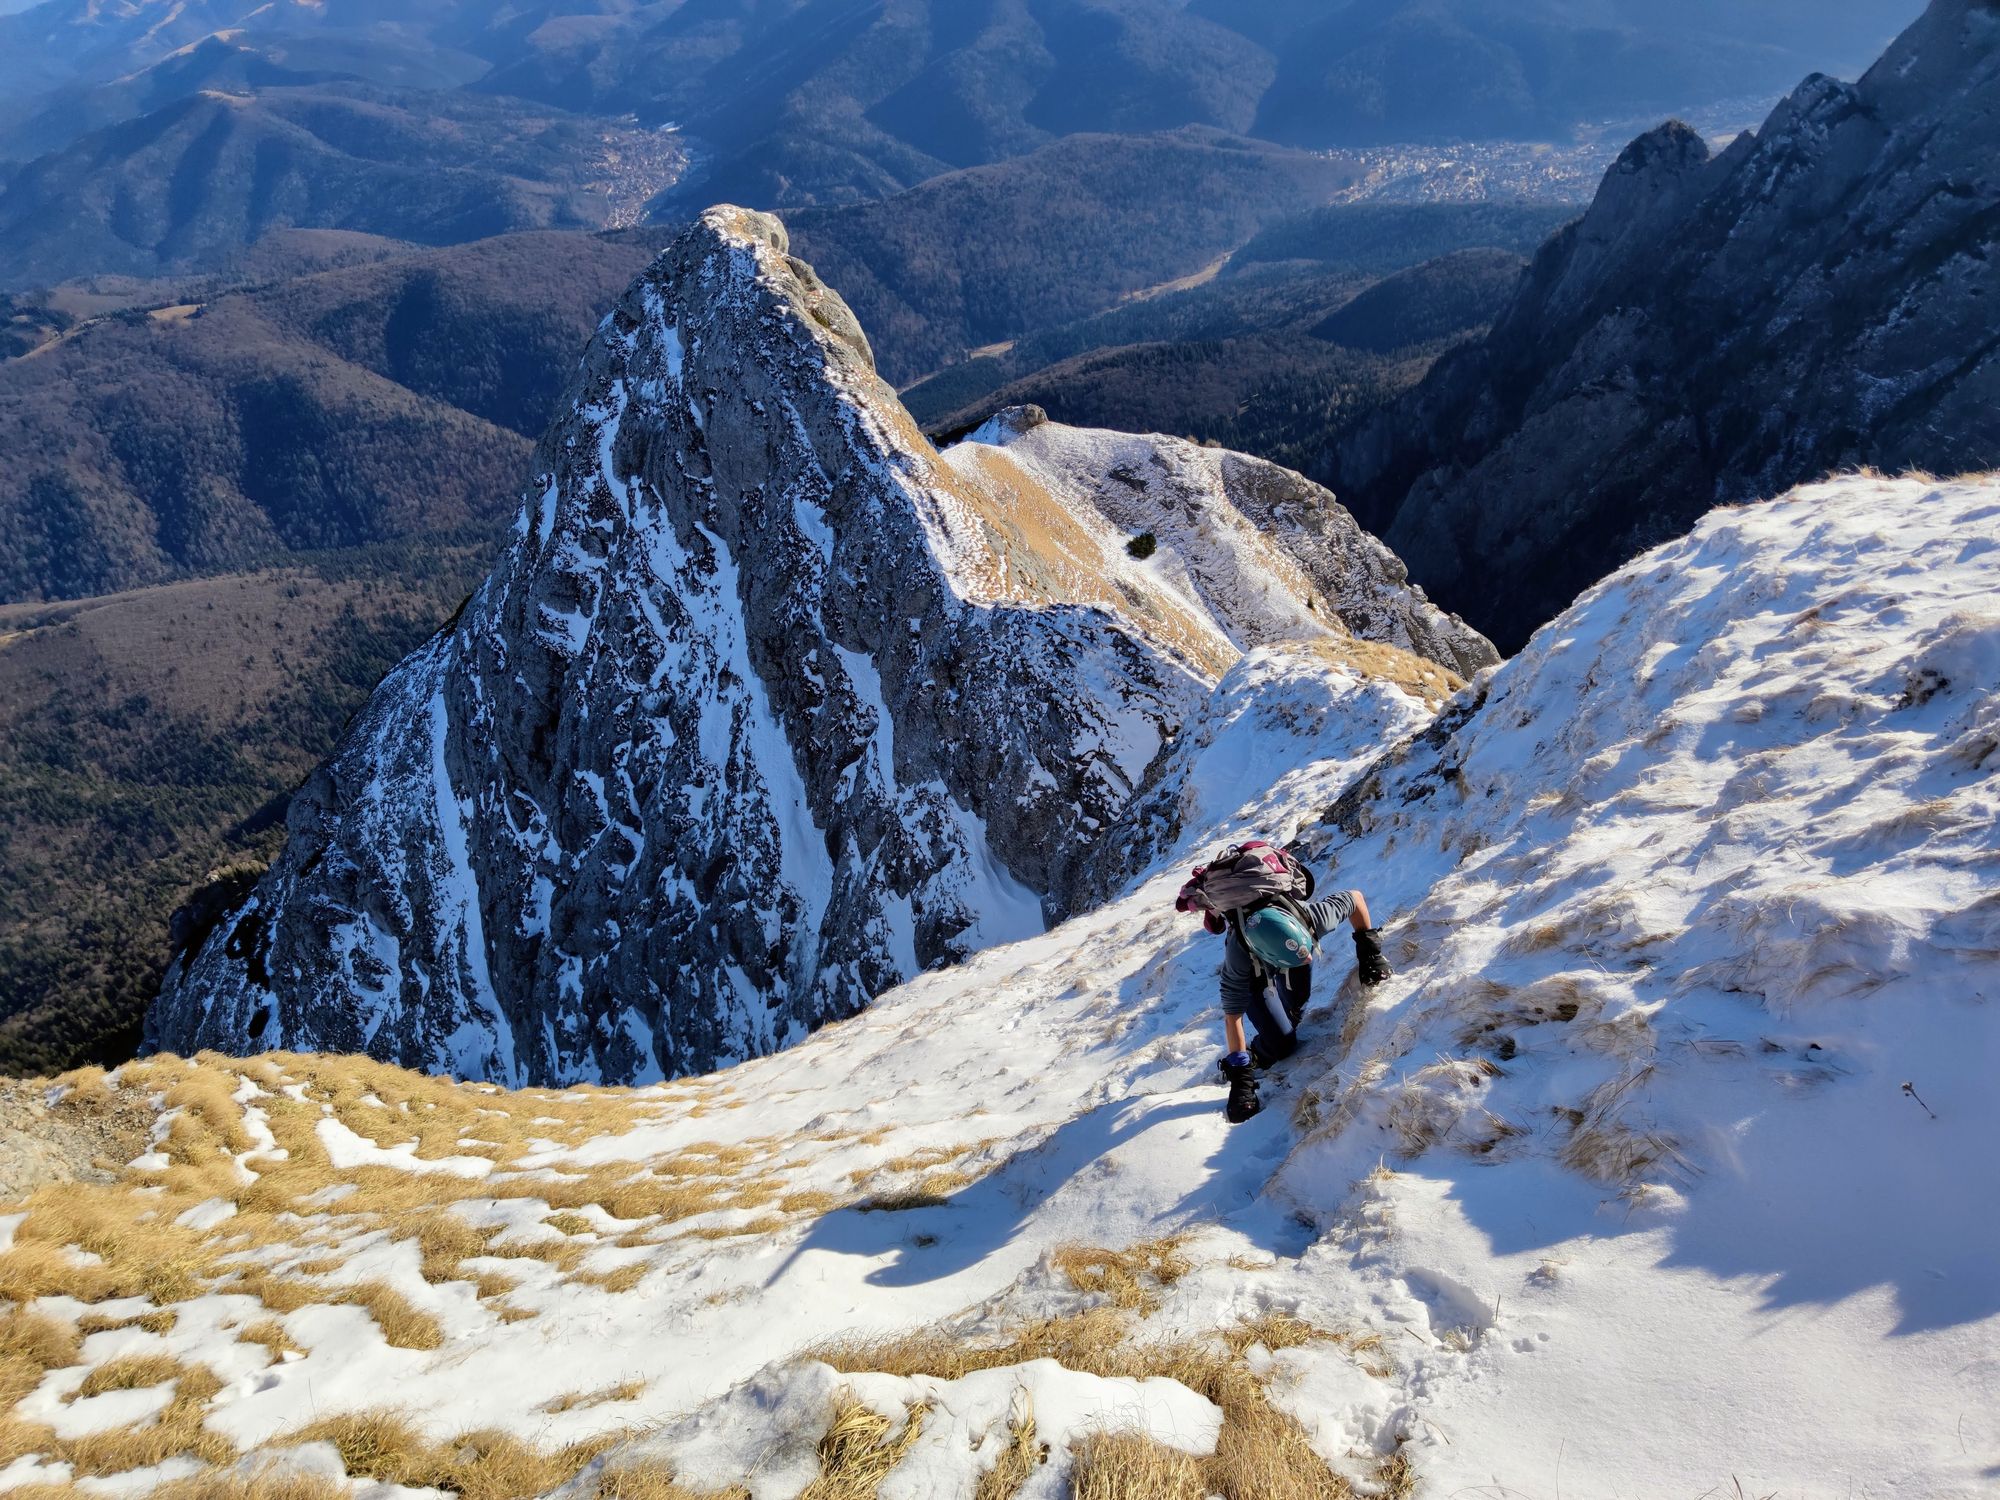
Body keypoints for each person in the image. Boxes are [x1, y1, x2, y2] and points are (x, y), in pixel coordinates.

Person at [1175, 840, 1392, 1124]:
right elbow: (1233, 1018)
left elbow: (1355, 899)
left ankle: (1285, 1012)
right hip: (1256, 972)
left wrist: (1369, 952)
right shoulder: (1239, 957)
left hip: (1292, 946)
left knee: (1296, 1005)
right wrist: (1241, 1079)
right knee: (1281, 1044)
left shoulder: (1311, 919)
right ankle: (1261, 1051)